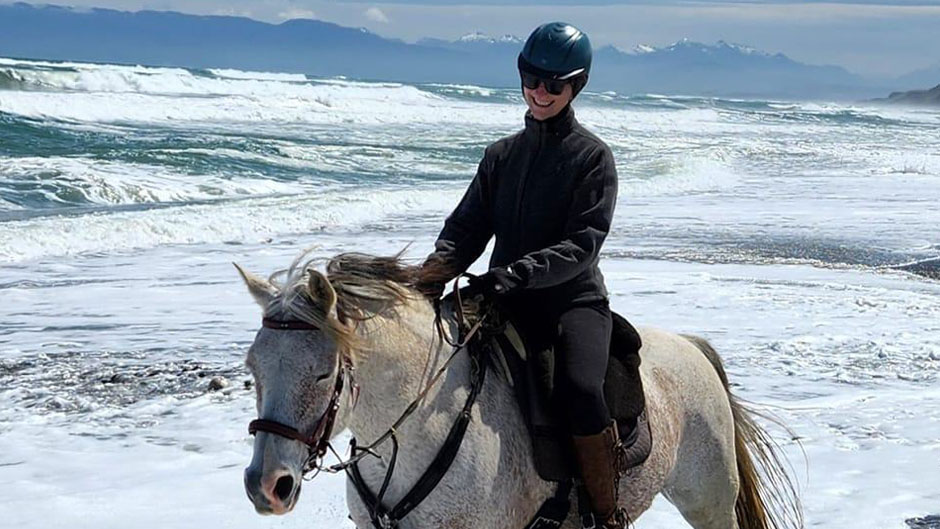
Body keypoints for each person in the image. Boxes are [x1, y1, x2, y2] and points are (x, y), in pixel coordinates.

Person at [417, 22, 634, 529]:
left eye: (554, 84)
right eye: (531, 78)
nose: (540, 92)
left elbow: (583, 244)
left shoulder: (592, 158)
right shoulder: (500, 156)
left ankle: (604, 513)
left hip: (572, 303)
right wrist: (430, 276)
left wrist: (518, 273)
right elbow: (466, 228)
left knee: (581, 390)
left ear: (575, 87)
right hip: (504, 297)